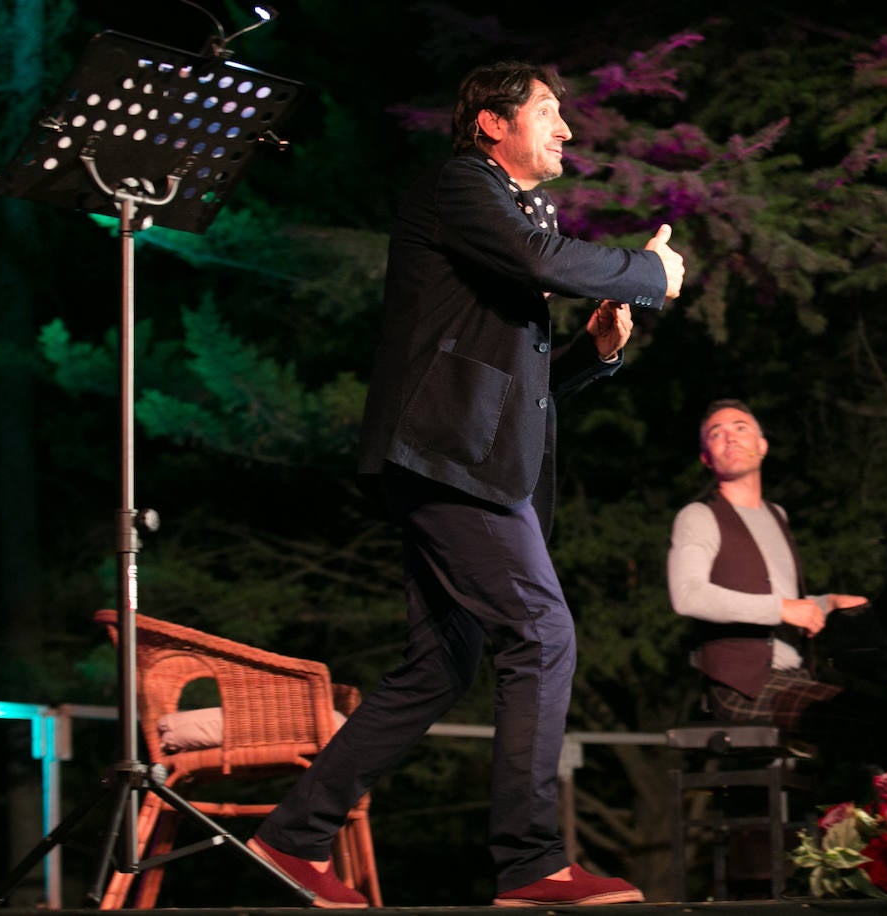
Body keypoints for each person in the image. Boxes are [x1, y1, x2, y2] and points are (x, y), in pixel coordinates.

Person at [247, 61, 685, 908]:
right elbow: (539, 258)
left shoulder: (507, 214)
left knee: (438, 666)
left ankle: (291, 836)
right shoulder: (460, 185)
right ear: (492, 123)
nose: (566, 129)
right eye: (550, 113)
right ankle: (530, 863)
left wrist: (594, 357)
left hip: (464, 457)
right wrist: (645, 273)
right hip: (447, 460)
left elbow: (516, 383)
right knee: (543, 632)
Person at [667, 399, 887, 786]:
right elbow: (688, 595)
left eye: (740, 428)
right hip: (743, 684)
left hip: (794, 675)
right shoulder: (699, 516)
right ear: (707, 457)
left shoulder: (777, 515)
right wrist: (782, 608)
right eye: (715, 434)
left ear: (762, 445)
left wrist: (829, 603)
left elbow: (788, 604)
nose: (729, 438)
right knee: (881, 722)